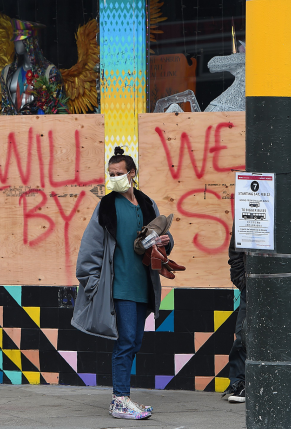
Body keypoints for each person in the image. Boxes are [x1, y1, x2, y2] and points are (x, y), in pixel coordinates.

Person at [71, 146, 174, 420]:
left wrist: (167, 242)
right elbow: (90, 247)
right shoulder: (106, 206)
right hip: (120, 287)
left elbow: (161, 236)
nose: (114, 178)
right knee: (126, 340)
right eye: (111, 174)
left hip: (144, 285)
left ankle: (123, 397)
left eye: (119, 173)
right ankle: (119, 399)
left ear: (132, 173)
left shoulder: (147, 203)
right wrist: (92, 283)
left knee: (135, 341)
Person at [224, 206, 291, 403]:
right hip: (252, 285)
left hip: (285, 289)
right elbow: (236, 252)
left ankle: (279, 385)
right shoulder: (249, 205)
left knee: (284, 335)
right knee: (244, 334)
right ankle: (240, 382)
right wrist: (244, 283)